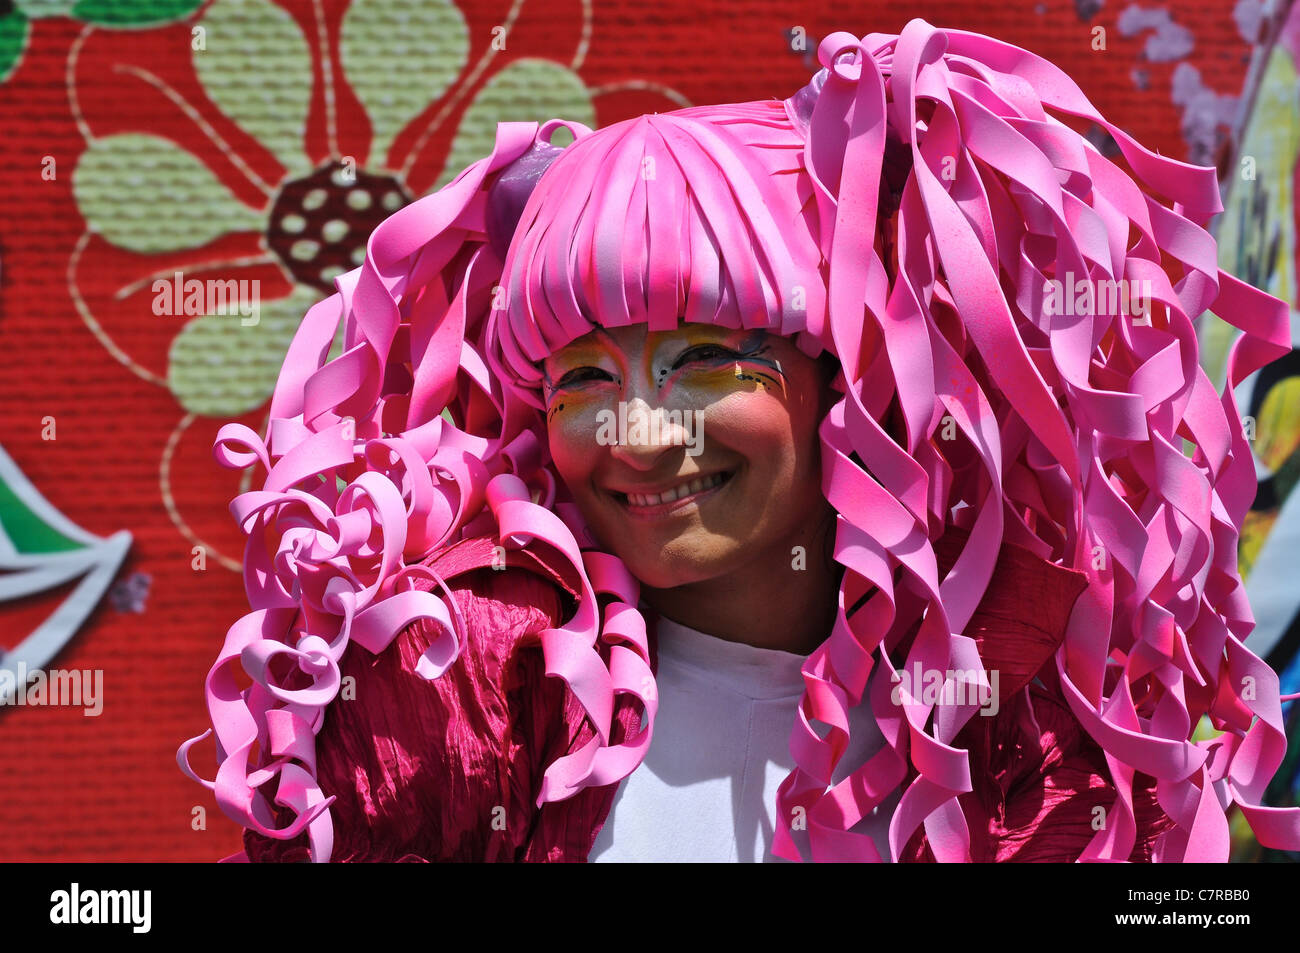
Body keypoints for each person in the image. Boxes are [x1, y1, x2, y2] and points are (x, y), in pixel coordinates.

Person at [178, 19, 1300, 862]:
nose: (639, 431)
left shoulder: (1017, 721)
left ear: (840, 385)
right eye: (582, 378)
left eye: (707, 363)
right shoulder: (454, 693)